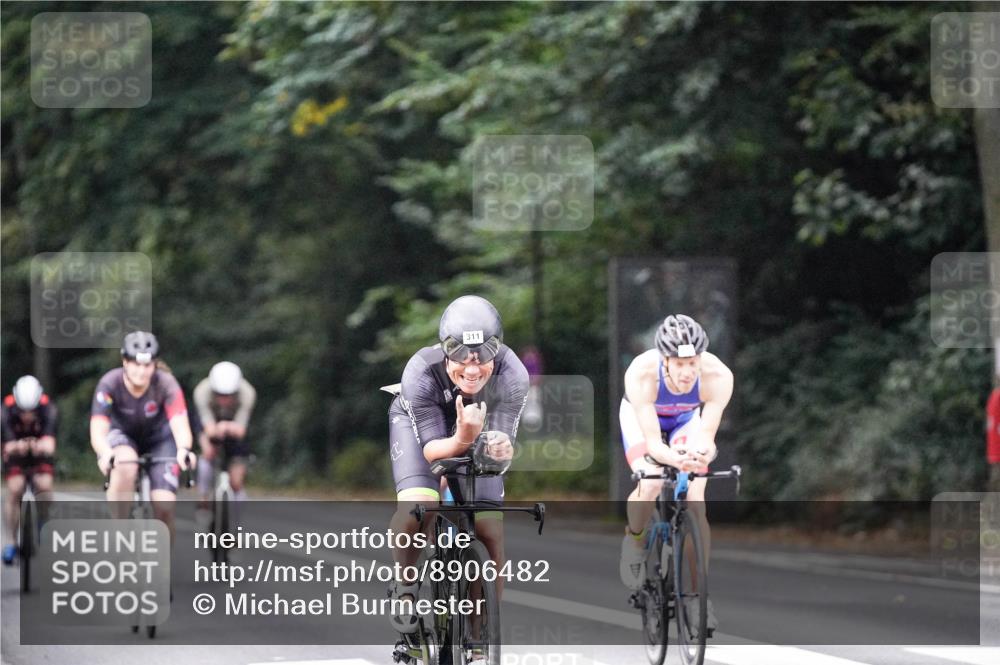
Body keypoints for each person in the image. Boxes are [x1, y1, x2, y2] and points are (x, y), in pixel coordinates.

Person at [386, 295, 528, 634]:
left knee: (490, 531)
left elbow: (502, 447)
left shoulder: (513, 375)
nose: (473, 369)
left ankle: (479, 634)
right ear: (446, 349)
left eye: (484, 357)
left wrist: (499, 449)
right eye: (461, 356)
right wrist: (463, 437)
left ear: (498, 350)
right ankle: (405, 587)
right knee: (420, 507)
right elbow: (434, 452)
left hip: (475, 430)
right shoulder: (421, 371)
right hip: (423, 428)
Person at [618, 314, 733, 633]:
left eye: (692, 363)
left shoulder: (717, 376)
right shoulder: (642, 373)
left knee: (696, 501)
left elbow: (707, 437)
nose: (686, 372)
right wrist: (673, 459)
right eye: (678, 364)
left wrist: (699, 455)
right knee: (651, 480)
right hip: (643, 419)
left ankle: (697, 598)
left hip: (685, 420)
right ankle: (636, 540)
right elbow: (653, 444)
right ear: (664, 360)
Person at [90, 331, 195, 542]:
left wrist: (184, 449)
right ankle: (118, 532)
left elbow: (180, 423)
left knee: (164, 506)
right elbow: (98, 429)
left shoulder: (166, 383)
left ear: (155, 364)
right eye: (136, 364)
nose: (142, 371)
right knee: (125, 464)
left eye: (147, 365)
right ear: (125, 363)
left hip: (160, 440)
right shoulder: (109, 383)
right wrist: (105, 453)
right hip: (123, 437)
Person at [2, 376, 58, 565]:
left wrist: (37, 445)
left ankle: (43, 523)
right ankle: (10, 541)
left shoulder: (49, 408)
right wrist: (18, 446)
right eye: (22, 411)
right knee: (15, 489)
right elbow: (7, 446)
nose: (27, 415)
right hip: (16, 456)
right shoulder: (6, 410)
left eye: (31, 411)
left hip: (40, 454)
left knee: (44, 485)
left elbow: (50, 445)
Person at [192, 361, 256, 522]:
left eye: (228, 395)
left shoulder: (247, 393)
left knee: (236, 481)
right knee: (208, 453)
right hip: (211, 422)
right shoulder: (201, 392)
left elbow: (241, 429)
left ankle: (236, 522)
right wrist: (213, 431)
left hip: (235, 424)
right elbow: (207, 426)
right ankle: (204, 497)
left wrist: (227, 427)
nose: (224, 400)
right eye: (219, 395)